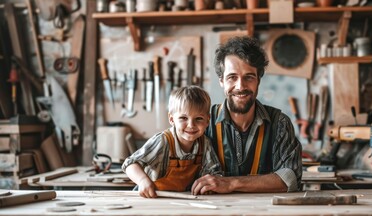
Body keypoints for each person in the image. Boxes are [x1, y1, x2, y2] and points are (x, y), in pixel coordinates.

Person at [191, 36, 302, 195]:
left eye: (249, 77)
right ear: (221, 81)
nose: (240, 86)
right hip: (214, 215)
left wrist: (231, 183)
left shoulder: (279, 123)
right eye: (232, 77)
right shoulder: (202, 122)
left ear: (258, 80)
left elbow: (290, 178)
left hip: (267, 215)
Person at [122, 86, 222, 198]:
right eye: (183, 118)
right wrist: (142, 180)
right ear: (171, 119)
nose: (191, 125)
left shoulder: (205, 144)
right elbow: (130, 164)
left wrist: (208, 187)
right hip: (151, 198)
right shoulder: (162, 141)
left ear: (207, 120)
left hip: (182, 200)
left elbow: (214, 173)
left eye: (198, 119)